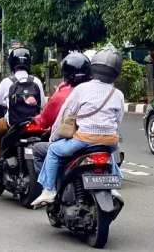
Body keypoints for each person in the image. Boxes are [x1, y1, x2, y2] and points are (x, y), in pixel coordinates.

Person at [32, 46, 125, 207]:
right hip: (110, 142)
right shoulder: (118, 94)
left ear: (93, 67)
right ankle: (113, 186)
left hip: (83, 140)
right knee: (108, 154)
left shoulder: (81, 89)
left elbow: (64, 115)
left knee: (53, 150)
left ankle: (48, 190)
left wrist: (53, 139)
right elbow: (118, 121)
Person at [0, 47, 45, 175]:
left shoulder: (7, 82)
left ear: (12, 63)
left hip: (13, 123)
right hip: (35, 123)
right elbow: (43, 103)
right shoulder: (37, 81)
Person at [30, 52, 92, 174]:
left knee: (37, 150)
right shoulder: (98, 93)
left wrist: (51, 138)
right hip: (98, 140)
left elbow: (47, 121)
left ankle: (47, 187)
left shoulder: (61, 96)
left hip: (73, 142)